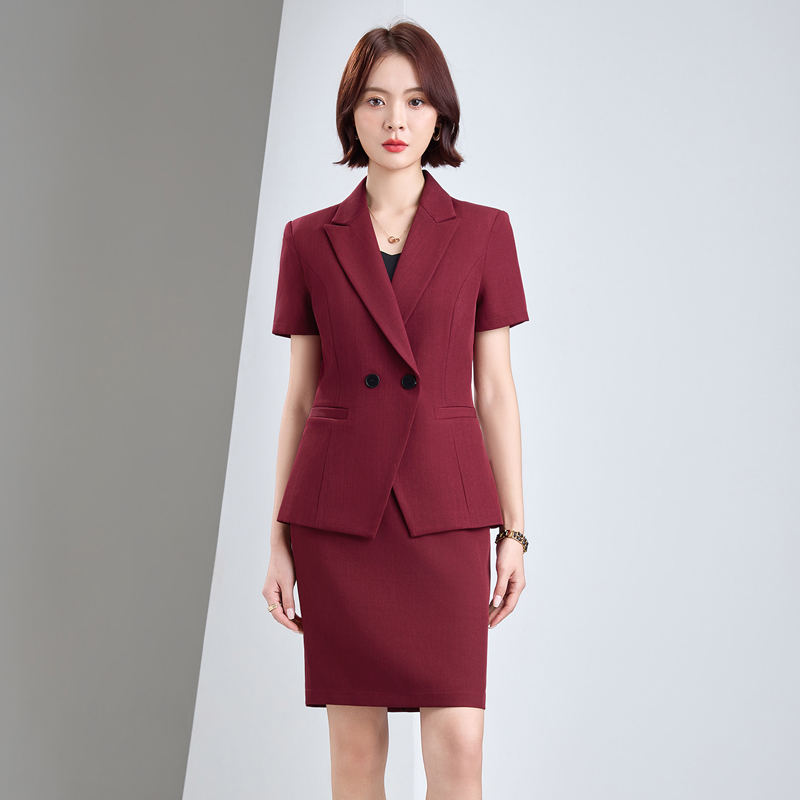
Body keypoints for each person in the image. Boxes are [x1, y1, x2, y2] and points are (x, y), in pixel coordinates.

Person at [262, 20, 529, 798]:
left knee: (459, 747)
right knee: (354, 754)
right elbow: (301, 398)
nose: (395, 121)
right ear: (351, 114)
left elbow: (495, 391)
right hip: (342, 518)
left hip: (443, 512)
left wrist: (514, 531)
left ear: (439, 113)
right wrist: (277, 538)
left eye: (414, 101)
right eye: (375, 101)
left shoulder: (484, 232)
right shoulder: (308, 240)